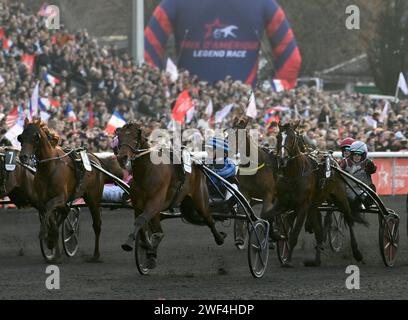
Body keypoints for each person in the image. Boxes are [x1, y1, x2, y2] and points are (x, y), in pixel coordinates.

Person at [145, 0, 301, 87]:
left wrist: (159, 90)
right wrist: (273, 93)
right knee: (243, 144)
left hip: (188, 101)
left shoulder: (173, 3)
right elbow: (292, 59)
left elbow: (147, 52)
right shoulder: (266, 4)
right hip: (245, 101)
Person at [339, 141, 377, 209]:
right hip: (350, 189)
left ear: (363, 155)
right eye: (354, 154)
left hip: (364, 189)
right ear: (351, 154)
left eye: (359, 154)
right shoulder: (345, 162)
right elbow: (339, 169)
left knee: (372, 188)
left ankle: (365, 201)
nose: (356, 156)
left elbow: (373, 170)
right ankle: (357, 201)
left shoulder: (368, 163)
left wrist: (371, 167)